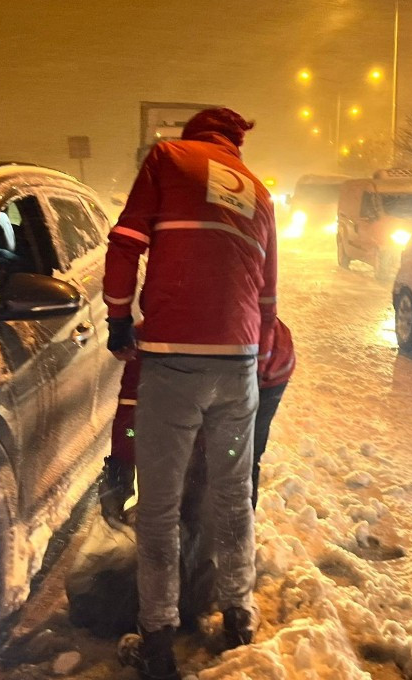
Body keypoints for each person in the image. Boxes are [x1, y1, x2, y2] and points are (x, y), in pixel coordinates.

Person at [102, 107, 277, 680]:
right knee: (230, 496)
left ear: (194, 134)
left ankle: (157, 637)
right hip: (239, 366)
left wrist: (119, 316)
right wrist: (254, 352)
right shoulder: (259, 192)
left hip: (175, 361)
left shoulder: (168, 159)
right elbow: (269, 298)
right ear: (234, 145)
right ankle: (238, 614)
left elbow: (126, 240)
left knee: (159, 506)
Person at [98, 316, 296, 521]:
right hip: (225, 362)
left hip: (267, 369)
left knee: (237, 457)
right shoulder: (149, 340)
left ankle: (232, 541)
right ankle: (191, 530)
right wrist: (121, 468)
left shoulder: (208, 345)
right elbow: (131, 408)